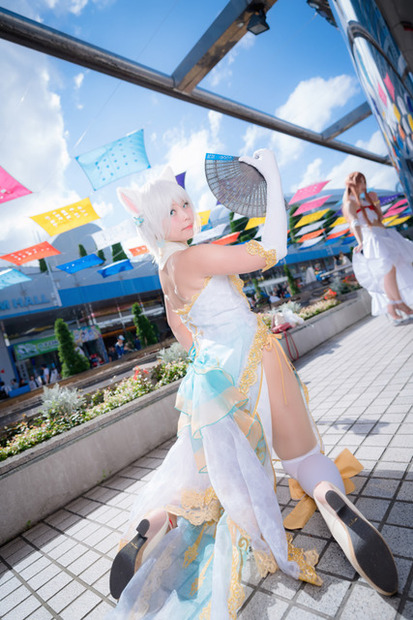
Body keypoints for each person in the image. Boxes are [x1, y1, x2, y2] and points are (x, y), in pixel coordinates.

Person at [109, 151, 398, 618]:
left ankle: (151, 525)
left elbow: (184, 333)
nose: (186, 214)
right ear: (155, 224)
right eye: (173, 211)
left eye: (185, 203)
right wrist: (273, 176)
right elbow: (272, 250)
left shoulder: (166, 273)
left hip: (211, 381)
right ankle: (332, 504)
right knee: (302, 457)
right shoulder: (197, 254)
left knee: (201, 484)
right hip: (255, 358)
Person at [342, 172, 413, 320]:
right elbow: (354, 223)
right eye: (360, 182)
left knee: (394, 269)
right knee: (387, 270)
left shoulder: (365, 200)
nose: (364, 185)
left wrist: (376, 203)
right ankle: (397, 304)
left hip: (383, 234)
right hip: (372, 237)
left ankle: (394, 304)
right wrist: (360, 241)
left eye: (364, 181)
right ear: (353, 184)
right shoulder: (350, 203)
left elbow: (380, 219)